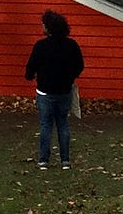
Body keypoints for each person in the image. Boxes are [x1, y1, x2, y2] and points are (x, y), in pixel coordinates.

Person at [25, 9, 84, 170]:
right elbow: (79, 65)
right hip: (64, 91)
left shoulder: (41, 46)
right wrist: (70, 77)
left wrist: (30, 76)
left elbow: (31, 67)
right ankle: (65, 160)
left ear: (48, 27)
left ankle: (44, 160)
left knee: (46, 125)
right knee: (63, 124)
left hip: (45, 91)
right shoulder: (71, 45)